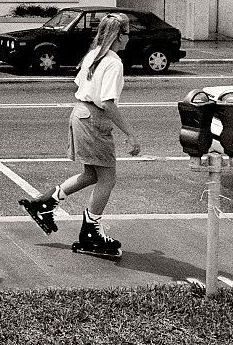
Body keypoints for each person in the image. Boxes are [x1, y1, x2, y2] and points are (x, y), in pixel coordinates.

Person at [18, 13, 141, 258]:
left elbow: (81, 85)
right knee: (108, 178)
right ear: (119, 36)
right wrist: (130, 133)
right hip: (94, 118)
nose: (129, 38)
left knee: (91, 174)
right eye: (127, 33)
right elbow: (107, 102)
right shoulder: (113, 62)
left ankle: (44, 203)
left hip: (80, 113)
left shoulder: (93, 55)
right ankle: (91, 231)